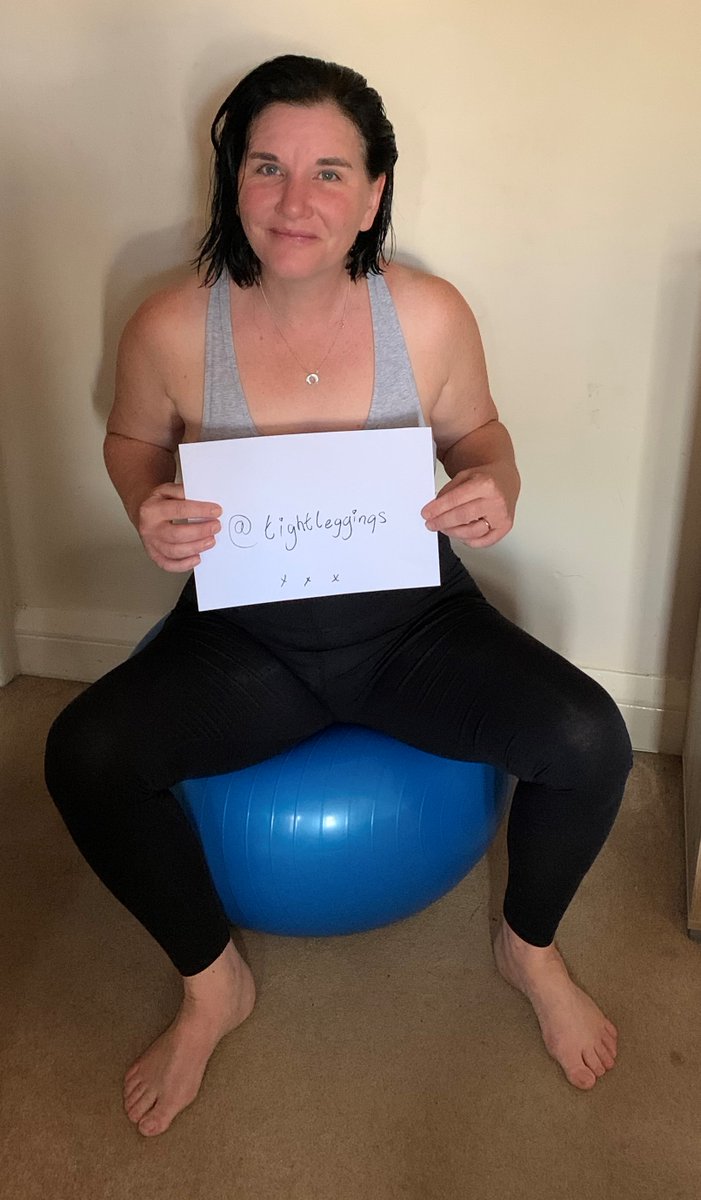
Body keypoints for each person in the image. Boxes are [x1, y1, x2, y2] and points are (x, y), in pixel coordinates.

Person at [44, 54, 632, 1138]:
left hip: (413, 627)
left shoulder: (429, 315)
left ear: (371, 194)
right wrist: (146, 504)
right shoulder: (172, 325)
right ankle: (211, 983)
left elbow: (478, 433)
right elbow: (131, 441)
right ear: (232, 180)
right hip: (245, 640)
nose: (294, 200)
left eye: (328, 172)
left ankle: (528, 948)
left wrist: (494, 483)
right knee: (82, 753)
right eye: (266, 167)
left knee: (590, 739)